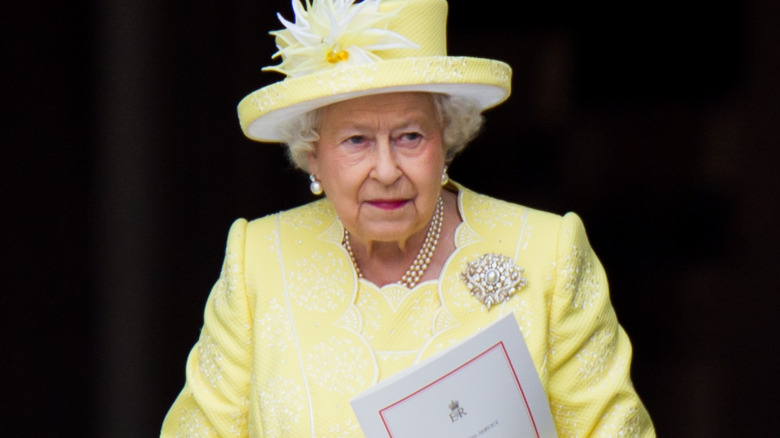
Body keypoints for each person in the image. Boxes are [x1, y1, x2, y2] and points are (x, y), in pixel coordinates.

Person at [161, 0, 655, 436]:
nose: (386, 170)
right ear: (313, 155)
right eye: (356, 140)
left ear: (448, 138)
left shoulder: (548, 252)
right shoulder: (259, 261)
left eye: (410, 137)